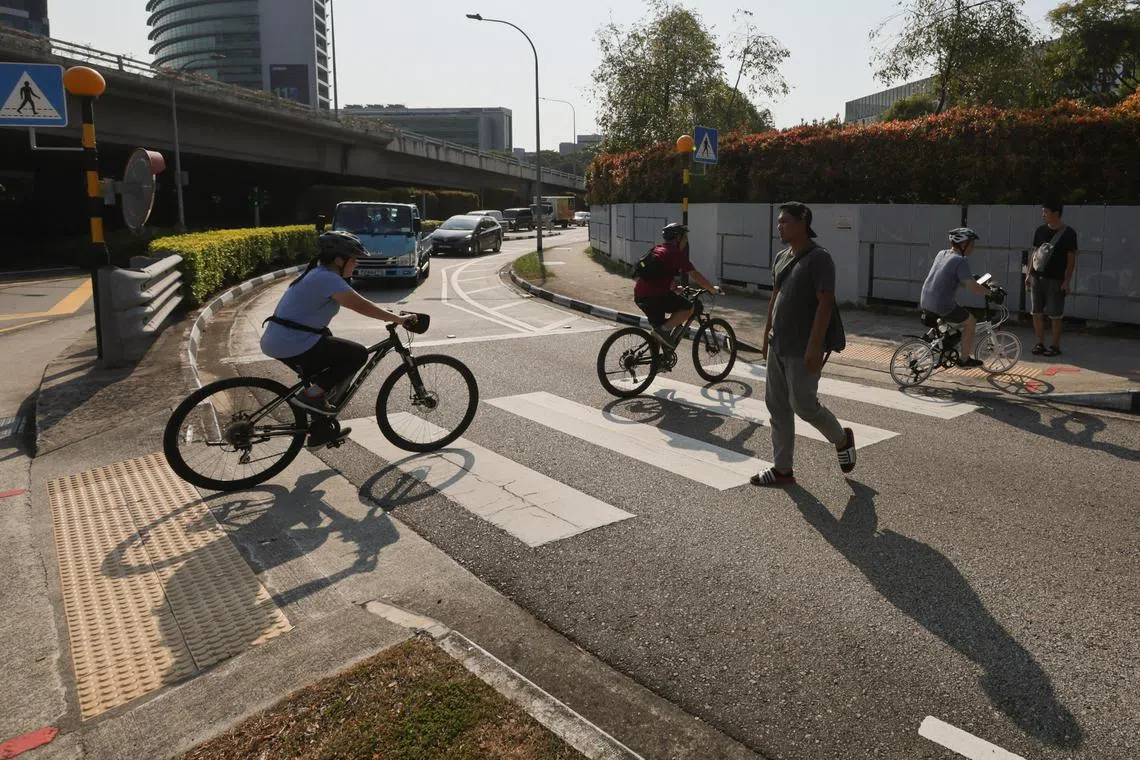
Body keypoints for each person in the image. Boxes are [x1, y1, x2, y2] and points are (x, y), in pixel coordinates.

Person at [261, 230, 415, 447]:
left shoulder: (317, 274)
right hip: (292, 342)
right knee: (357, 354)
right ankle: (312, 396)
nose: (356, 265)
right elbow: (361, 305)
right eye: (354, 260)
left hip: (283, 340)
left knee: (325, 381)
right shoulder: (327, 278)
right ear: (339, 260)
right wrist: (398, 319)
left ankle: (320, 433)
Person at [753, 202, 856, 488]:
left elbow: (825, 304)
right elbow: (774, 298)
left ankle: (841, 438)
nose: (779, 226)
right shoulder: (781, 257)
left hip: (802, 349)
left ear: (803, 222)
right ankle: (782, 469)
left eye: (785, 221)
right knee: (777, 406)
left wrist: (814, 347)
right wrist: (765, 338)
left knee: (804, 406)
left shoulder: (820, 259)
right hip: (778, 345)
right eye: (779, 221)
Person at [633, 222, 720, 349]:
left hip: (640, 295)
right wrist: (711, 289)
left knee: (658, 334)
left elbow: (659, 274)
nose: (686, 242)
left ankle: (657, 363)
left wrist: (673, 287)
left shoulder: (658, 249)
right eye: (685, 238)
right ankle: (663, 331)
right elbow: (695, 274)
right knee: (688, 308)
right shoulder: (675, 253)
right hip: (655, 297)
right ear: (678, 238)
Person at [918, 227, 992, 368]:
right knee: (970, 322)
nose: (973, 248)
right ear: (963, 245)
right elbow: (971, 287)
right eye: (972, 244)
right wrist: (990, 293)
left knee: (952, 319)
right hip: (941, 304)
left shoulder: (942, 254)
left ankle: (938, 343)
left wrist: (970, 279)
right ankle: (964, 360)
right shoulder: (960, 260)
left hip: (925, 299)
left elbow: (948, 276)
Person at [1027, 202, 1078, 357]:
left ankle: (1055, 346)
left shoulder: (1069, 233)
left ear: (1056, 213)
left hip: (1056, 279)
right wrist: (1028, 274)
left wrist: (1067, 281)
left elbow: (1071, 260)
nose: (1043, 215)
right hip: (1037, 277)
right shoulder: (1040, 231)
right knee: (1036, 312)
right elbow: (1034, 254)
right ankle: (1040, 343)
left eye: (1046, 212)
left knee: (1055, 315)